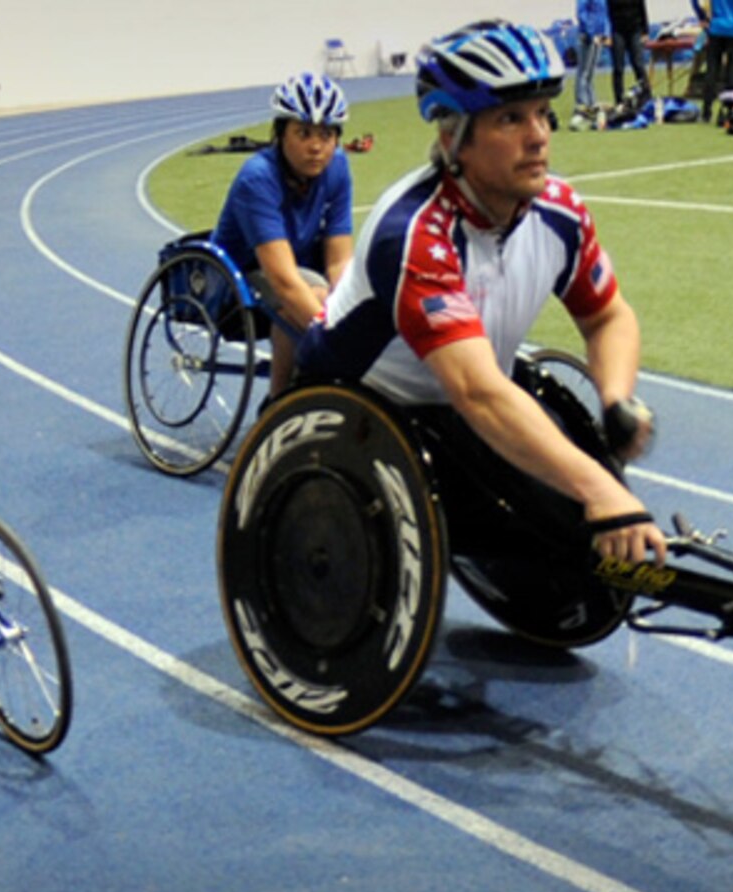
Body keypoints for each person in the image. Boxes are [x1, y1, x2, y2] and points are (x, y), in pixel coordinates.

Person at [295, 21, 667, 571]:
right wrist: (600, 489)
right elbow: (479, 392)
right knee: (570, 507)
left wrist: (615, 399)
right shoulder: (415, 233)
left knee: (571, 525)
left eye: (543, 113)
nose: (539, 135)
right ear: (453, 138)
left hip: (463, 399)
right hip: (359, 408)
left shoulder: (559, 211)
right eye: (511, 118)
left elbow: (608, 316)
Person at [209, 72, 355, 398]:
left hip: (296, 266)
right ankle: (278, 404)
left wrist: (351, 310)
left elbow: (340, 260)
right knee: (312, 295)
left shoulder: (338, 167)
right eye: (303, 133)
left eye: (327, 134)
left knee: (350, 292)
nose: (316, 147)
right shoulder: (257, 179)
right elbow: (285, 282)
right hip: (238, 280)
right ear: (281, 135)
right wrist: (338, 342)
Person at [692, 0, 733, 122]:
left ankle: (706, 111)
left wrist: (702, 17)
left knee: (712, 70)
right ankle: (730, 111)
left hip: (715, 27)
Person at [607, 0, 652, 106]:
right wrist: (607, 34)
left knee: (639, 65)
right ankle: (619, 100)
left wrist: (645, 31)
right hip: (617, 31)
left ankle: (646, 98)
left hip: (635, 29)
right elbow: (607, 13)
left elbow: (642, 9)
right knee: (618, 68)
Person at [573, 0, 611, 128]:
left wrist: (605, 34)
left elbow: (604, 14)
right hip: (587, 37)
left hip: (599, 37)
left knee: (590, 73)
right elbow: (581, 13)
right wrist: (590, 33)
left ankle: (592, 103)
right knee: (583, 73)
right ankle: (582, 105)